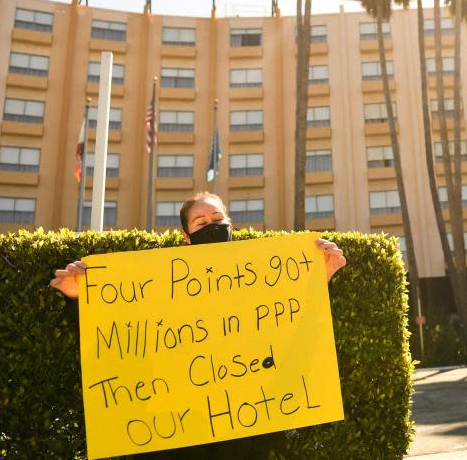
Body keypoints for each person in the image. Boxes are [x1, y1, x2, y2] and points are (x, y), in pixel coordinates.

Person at [50, 191, 347, 459]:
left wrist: (318, 281)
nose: (212, 225)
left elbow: (294, 331)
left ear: (230, 225)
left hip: (247, 436)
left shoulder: (262, 283)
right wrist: (84, 297)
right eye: (201, 221)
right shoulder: (157, 287)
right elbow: (120, 341)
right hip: (176, 440)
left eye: (218, 218)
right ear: (186, 235)